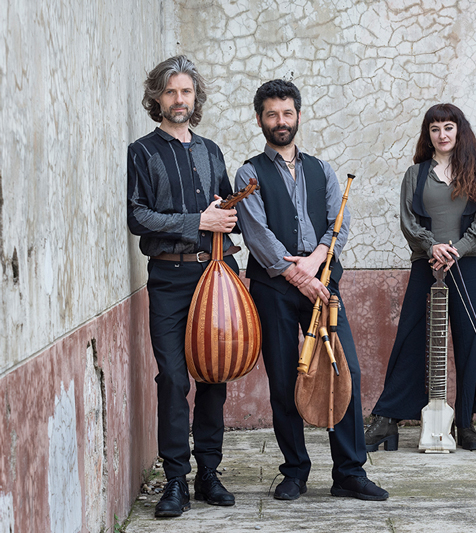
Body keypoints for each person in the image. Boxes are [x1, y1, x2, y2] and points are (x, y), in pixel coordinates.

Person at [235, 79, 388, 502]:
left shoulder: (322, 168)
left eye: (287, 113)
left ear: (298, 116)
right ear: (260, 119)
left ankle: (349, 472)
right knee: (287, 378)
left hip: (324, 283)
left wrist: (319, 257)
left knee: (344, 370)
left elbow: (340, 221)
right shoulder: (249, 171)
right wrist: (296, 273)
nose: (280, 121)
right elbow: (256, 232)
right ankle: (295, 471)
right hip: (275, 285)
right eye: (271, 114)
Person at [127, 55, 238, 518]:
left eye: (186, 92)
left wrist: (223, 215)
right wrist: (198, 220)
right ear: (157, 98)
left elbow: (227, 212)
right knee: (173, 377)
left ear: (196, 99)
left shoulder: (211, 150)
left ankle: (208, 472)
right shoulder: (142, 151)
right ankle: (175, 481)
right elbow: (138, 216)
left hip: (215, 274)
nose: (179, 100)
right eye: (171, 92)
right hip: (169, 278)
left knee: (213, 375)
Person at [365, 104, 476, 452]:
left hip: (469, 265)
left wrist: (457, 249)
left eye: (448, 127)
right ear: (428, 134)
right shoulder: (416, 174)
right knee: (412, 337)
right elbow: (409, 222)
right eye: (435, 128)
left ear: (459, 131)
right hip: (428, 264)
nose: (442, 134)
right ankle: (388, 419)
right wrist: (433, 247)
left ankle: (465, 421)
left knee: (469, 342)